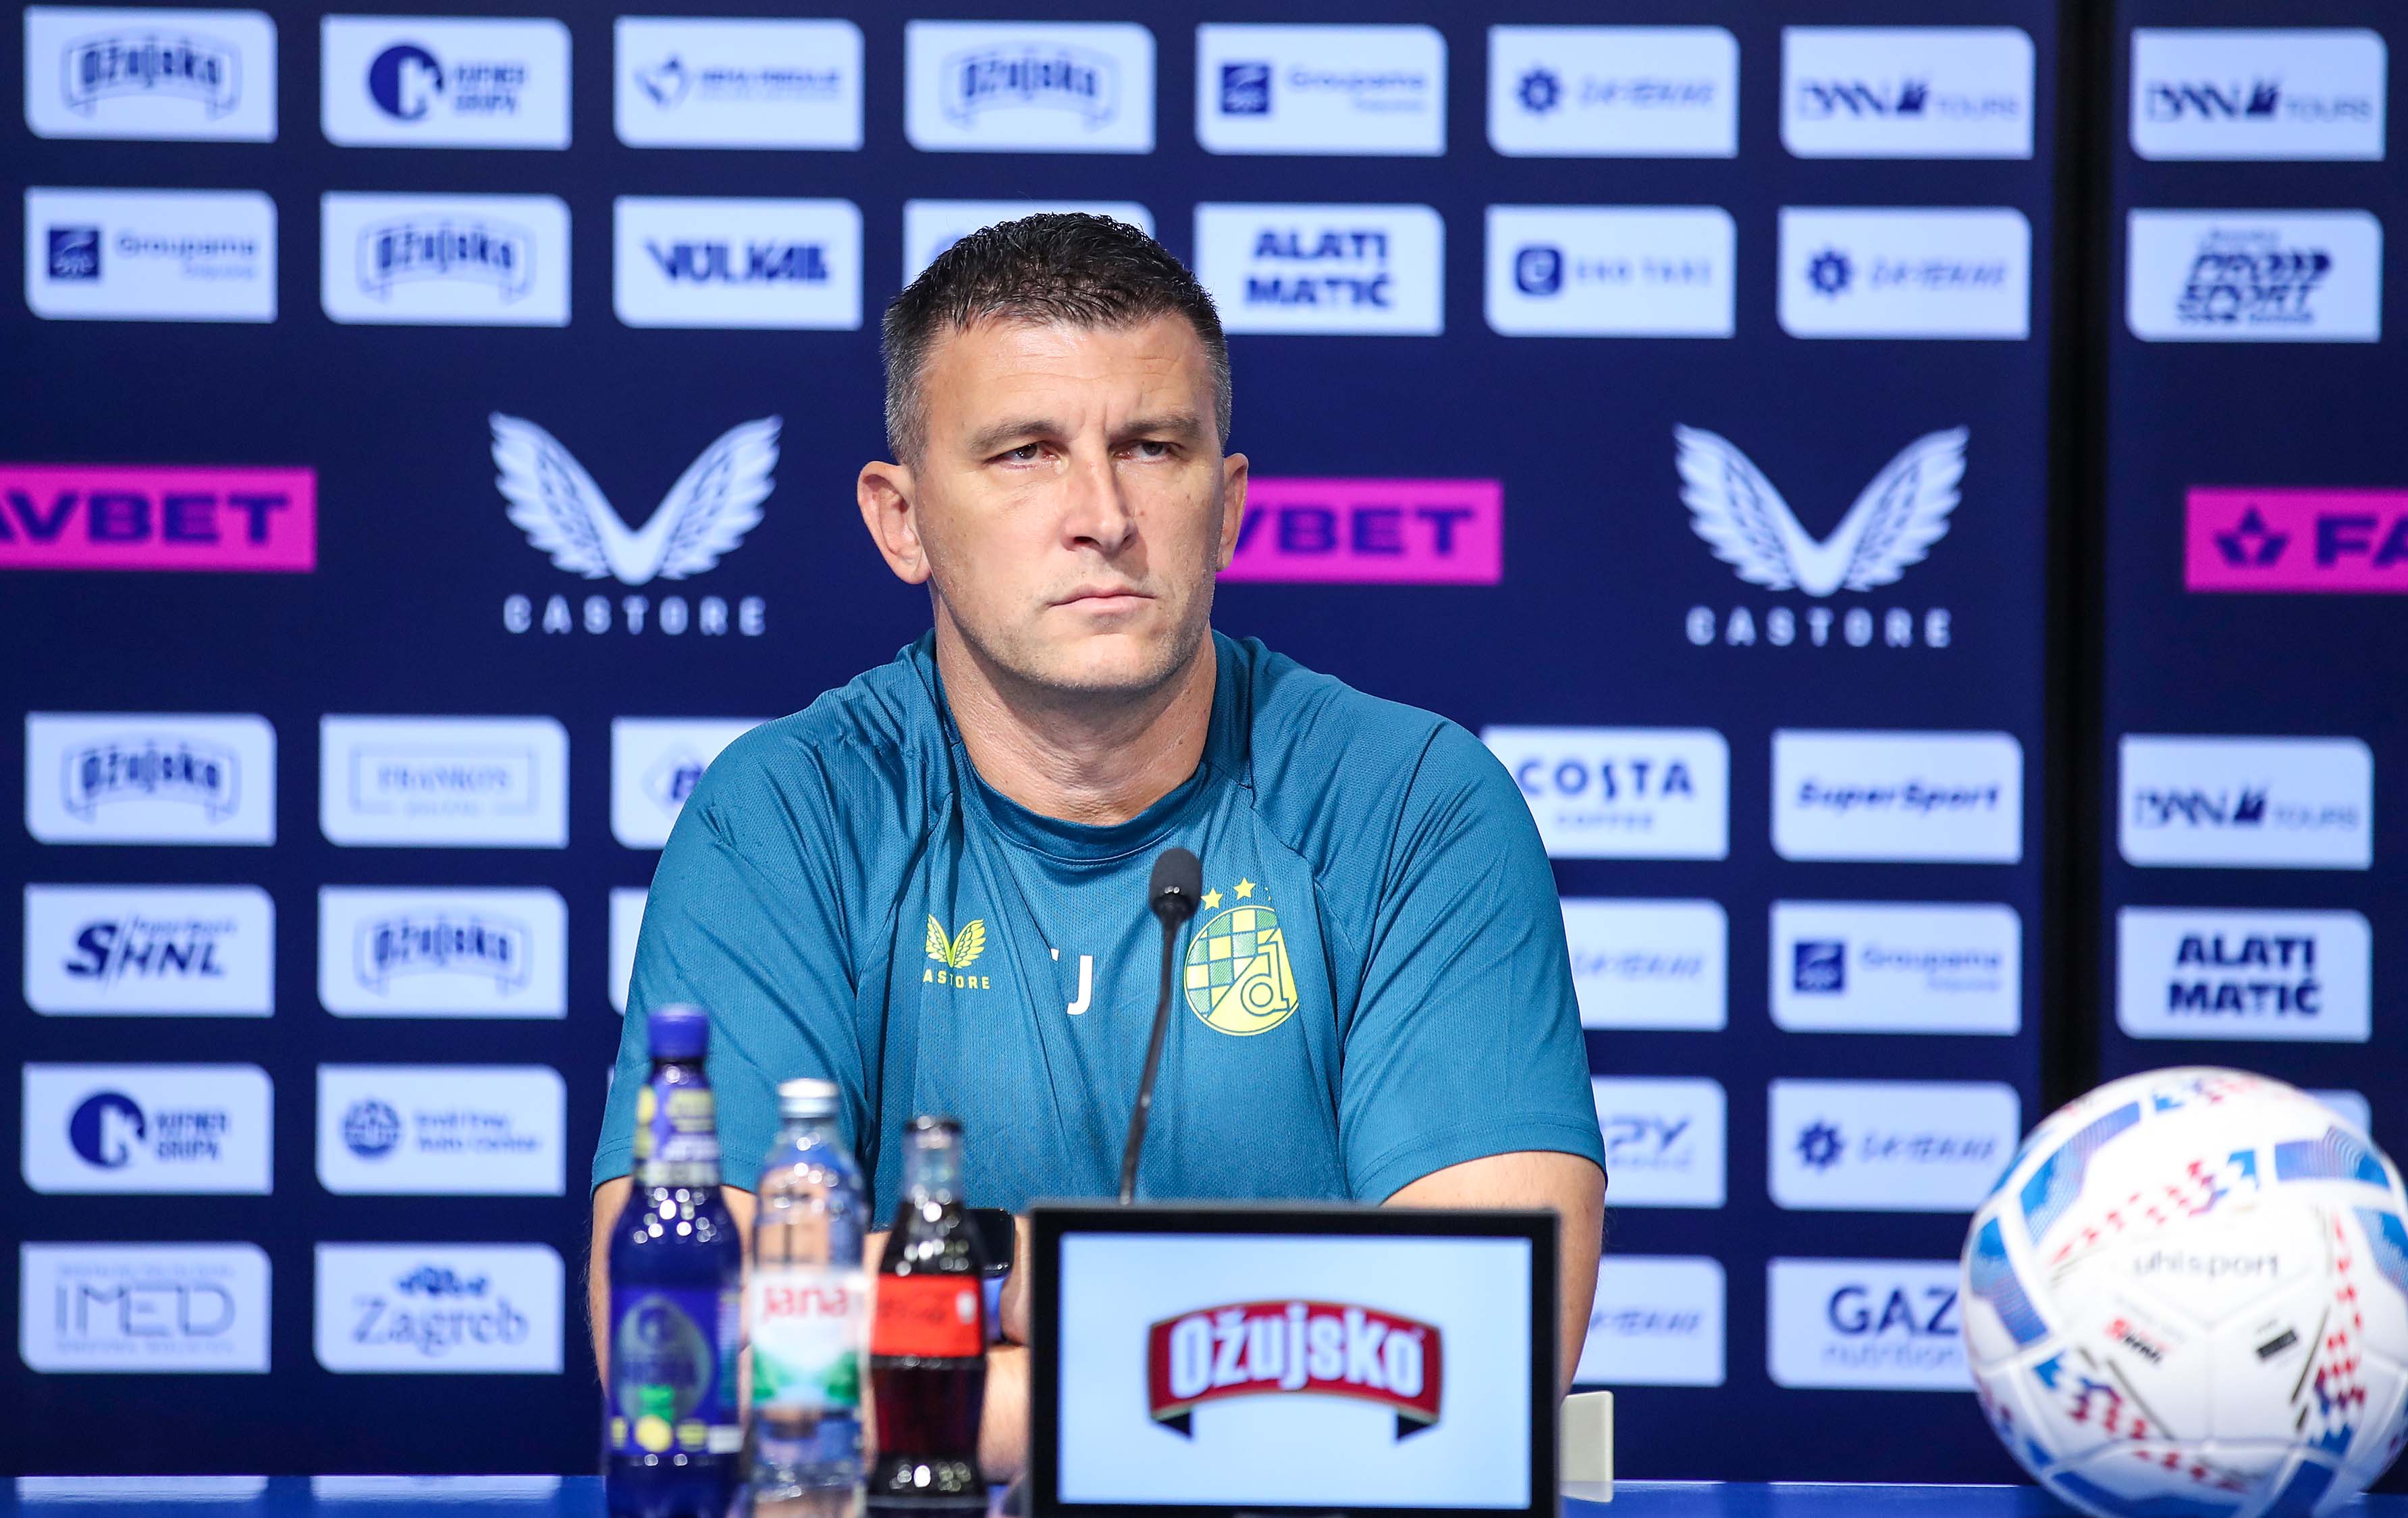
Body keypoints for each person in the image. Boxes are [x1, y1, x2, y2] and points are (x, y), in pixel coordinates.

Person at [589, 213, 1607, 1478]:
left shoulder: (1414, 807)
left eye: (1153, 448)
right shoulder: (785, 818)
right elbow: (693, 1356)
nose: (1103, 516)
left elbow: (1488, 1355)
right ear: (902, 521)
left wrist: (973, 1304)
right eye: (1026, 453)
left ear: (1227, 506)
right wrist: (1187, 1336)